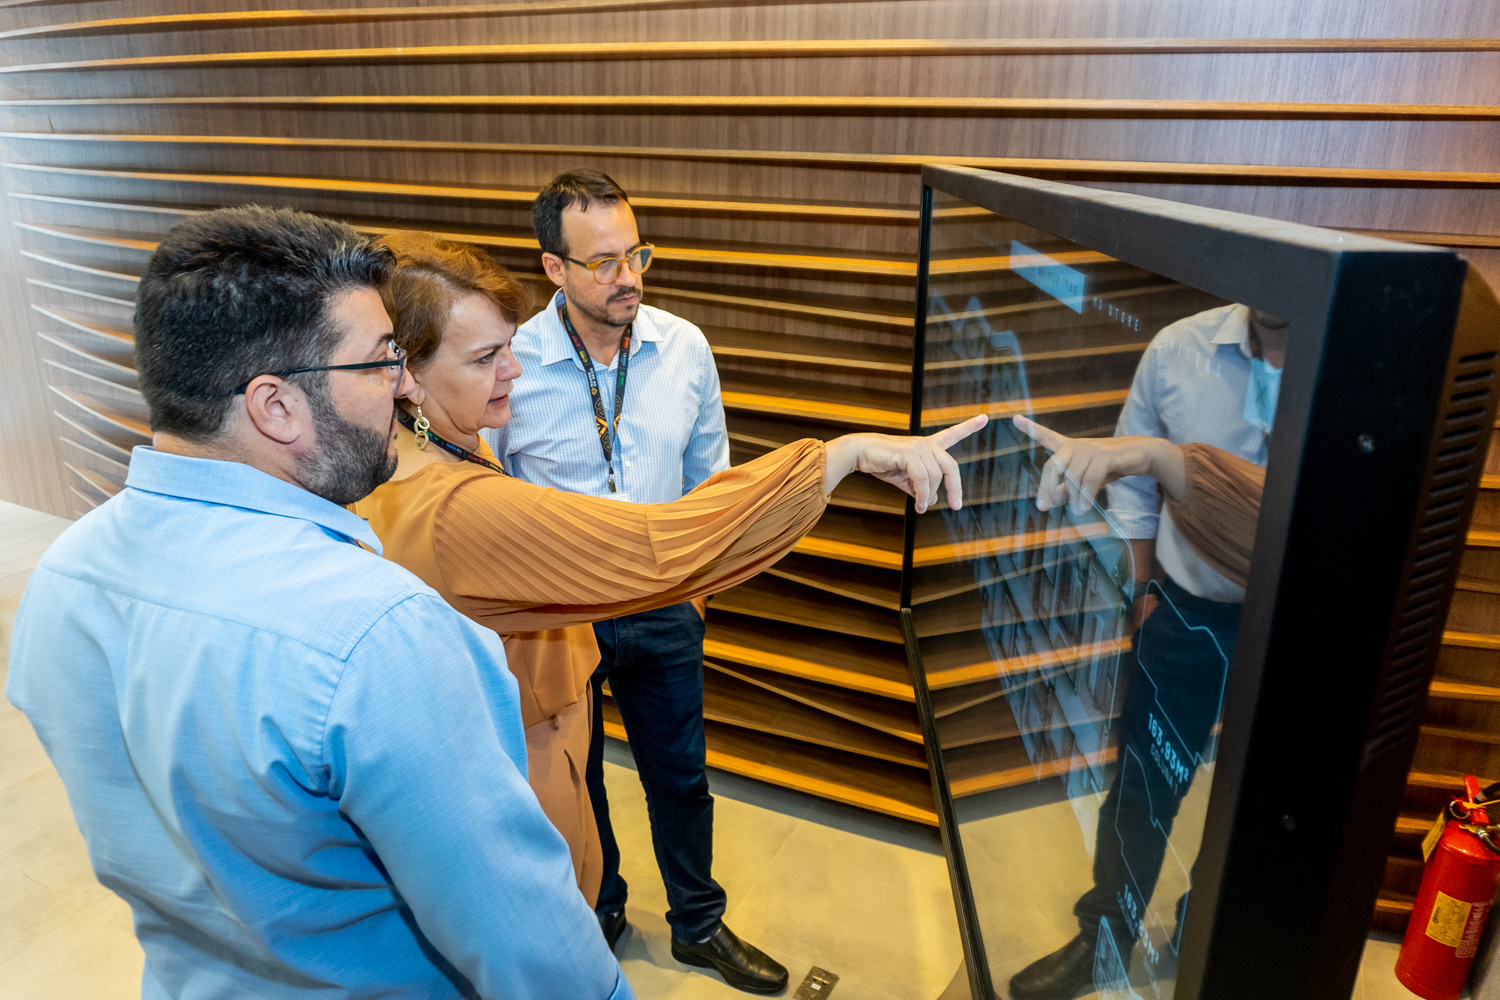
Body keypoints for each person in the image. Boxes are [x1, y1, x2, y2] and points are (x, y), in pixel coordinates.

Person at [5, 206, 634, 1000]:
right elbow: (532, 948)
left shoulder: (62, 580)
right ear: (276, 406)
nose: (404, 384)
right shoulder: (381, 635)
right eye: (380, 362)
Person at [355, 225, 985, 995]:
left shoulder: (422, 446)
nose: (512, 370)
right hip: (528, 749)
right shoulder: (451, 505)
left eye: (508, 349)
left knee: (674, 781)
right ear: (404, 374)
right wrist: (842, 455)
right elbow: (660, 545)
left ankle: (687, 921)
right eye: (486, 357)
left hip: (557, 693)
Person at [490, 169, 750, 988]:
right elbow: (484, 493)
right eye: (603, 262)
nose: (628, 276)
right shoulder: (513, 362)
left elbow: (711, 479)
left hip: (665, 602)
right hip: (556, 616)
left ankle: (698, 924)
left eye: (636, 254)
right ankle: (599, 911)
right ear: (554, 268)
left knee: (682, 775)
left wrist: (696, 594)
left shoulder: (684, 348)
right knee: (577, 776)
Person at [1007, 303, 1288, 1000]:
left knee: (1269, 798)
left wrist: (1159, 458)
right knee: (1142, 785)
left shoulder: (1357, 355)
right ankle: (1104, 936)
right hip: (1186, 607)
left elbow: (1290, 511)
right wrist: (1143, 592)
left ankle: (1206, 928)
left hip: (1298, 626)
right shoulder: (1178, 347)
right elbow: (1133, 488)